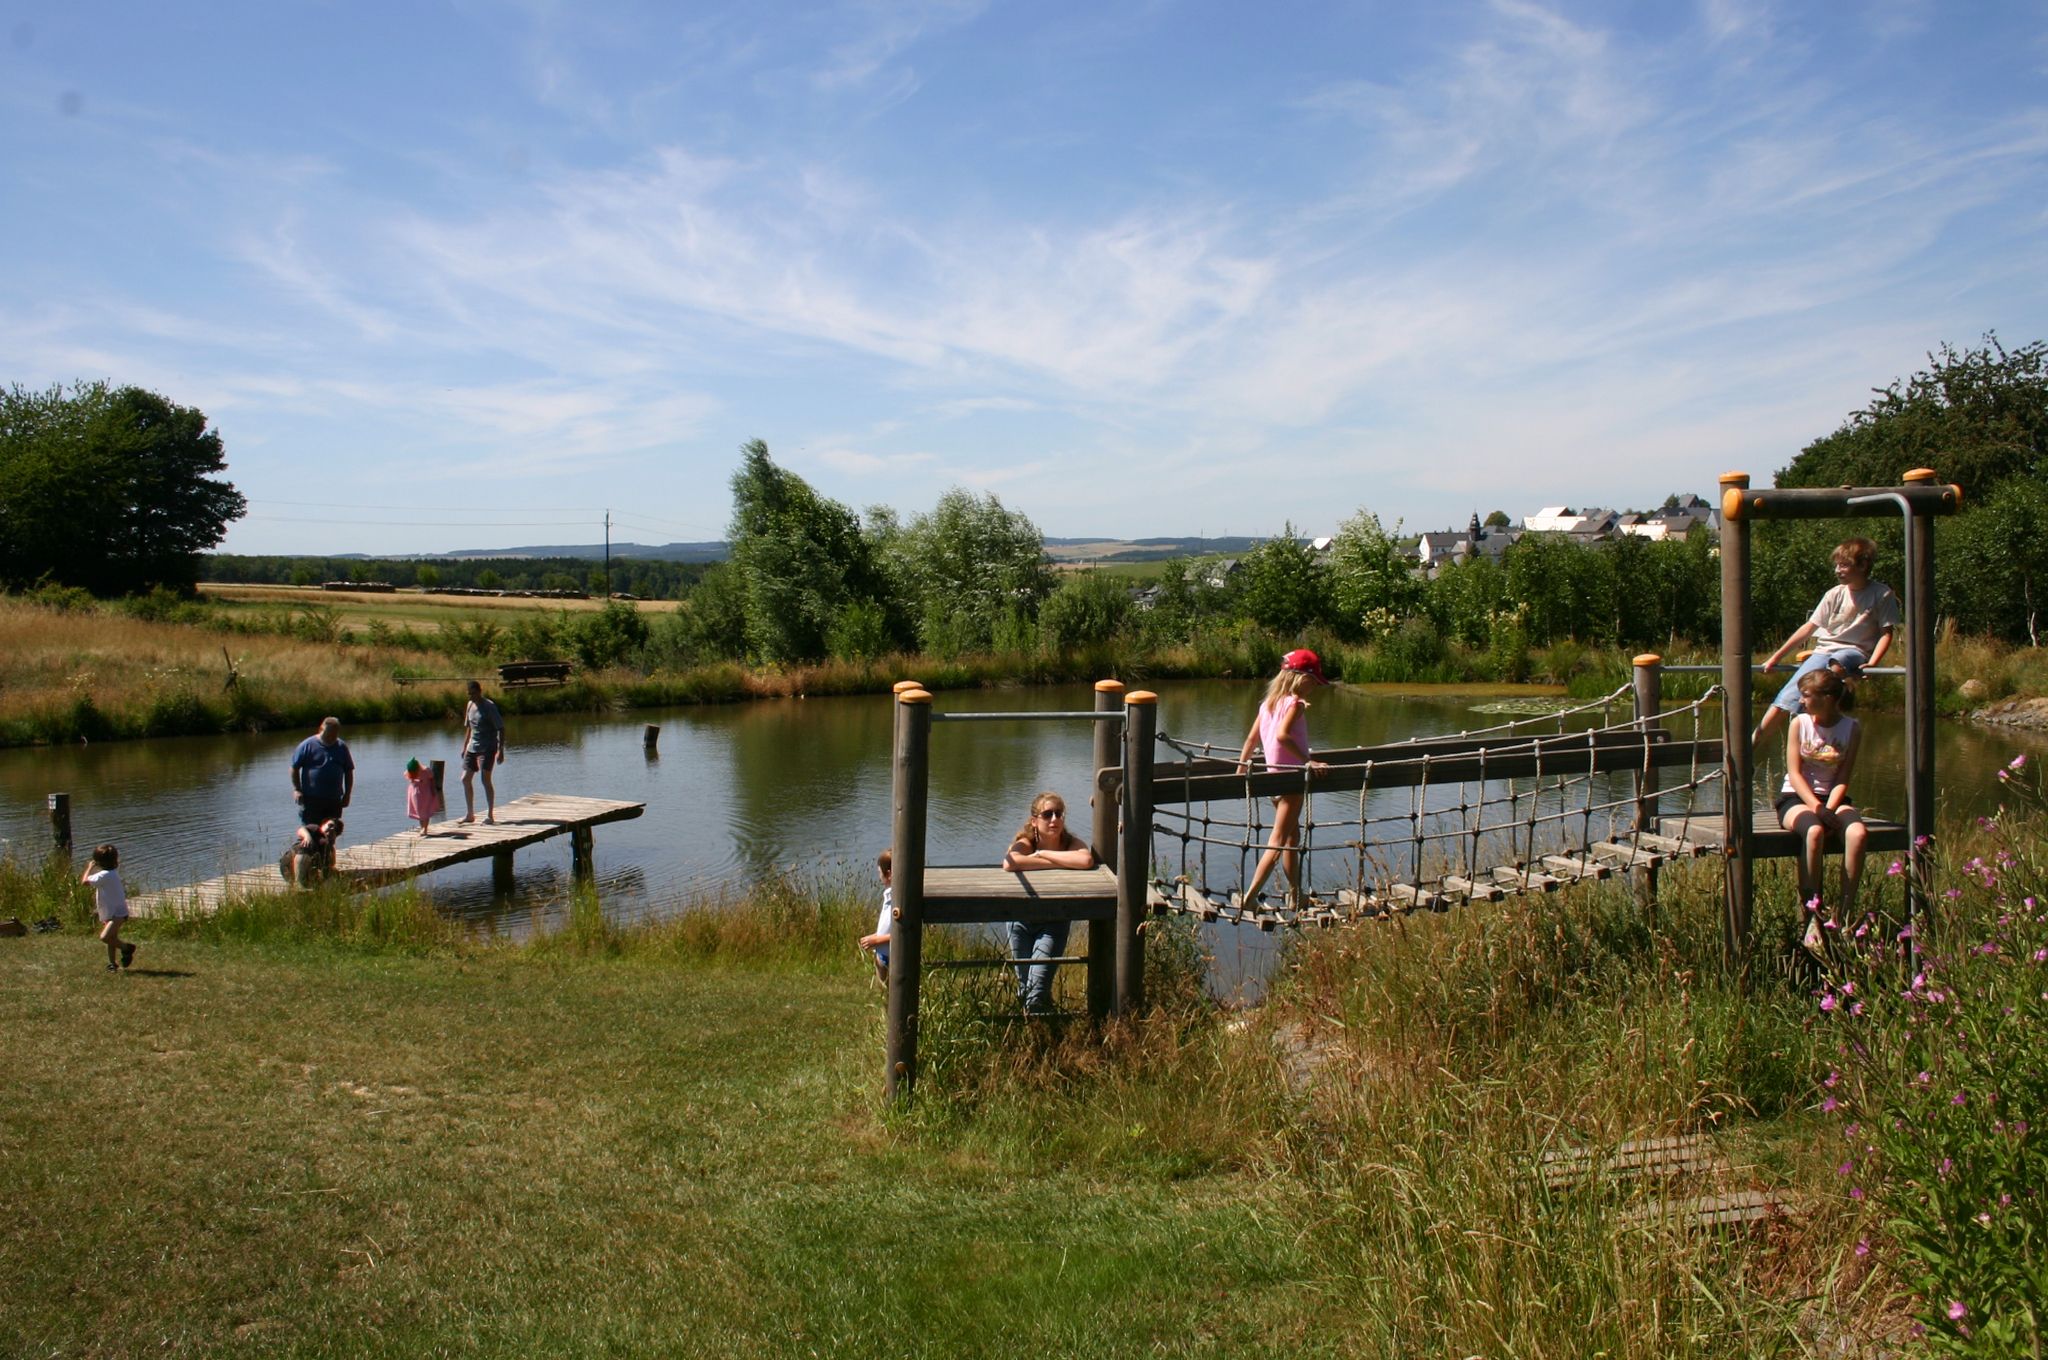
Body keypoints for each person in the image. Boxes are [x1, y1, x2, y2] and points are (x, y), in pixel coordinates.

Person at [1753, 537, 1897, 747]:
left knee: (1837, 663)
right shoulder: (1834, 594)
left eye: (1845, 565)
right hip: (1823, 651)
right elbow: (1808, 628)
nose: (1838, 570)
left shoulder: (1881, 594)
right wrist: (1776, 657)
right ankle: (1752, 744)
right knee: (1788, 696)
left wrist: (1872, 664)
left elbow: (1886, 633)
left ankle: (1836, 702)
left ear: (1863, 565)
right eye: (1837, 565)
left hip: (1855, 651)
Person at [1235, 648, 1331, 907]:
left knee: (1292, 838)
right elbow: (1282, 736)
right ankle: (1251, 896)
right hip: (1291, 780)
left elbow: (1251, 739)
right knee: (1277, 841)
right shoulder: (1295, 704)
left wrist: (1241, 769)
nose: (1314, 687)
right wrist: (1308, 760)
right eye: (1313, 681)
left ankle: (1295, 894)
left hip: (1273, 779)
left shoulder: (1268, 704)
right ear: (1301, 678)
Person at [1778, 668, 1867, 927]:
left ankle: (1845, 913)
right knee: (1814, 831)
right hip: (1796, 797)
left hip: (1833, 799)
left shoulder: (1852, 728)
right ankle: (1812, 912)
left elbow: (1843, 777)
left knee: (1857, 833)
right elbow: (1794, 774)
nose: (1801, 701)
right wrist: (1818, 809)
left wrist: (1829, 808)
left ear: (1827, 698)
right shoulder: (1799, 723)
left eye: (1806, 695)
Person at [1000, 791, 1096, 1013]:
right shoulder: (1026, 842)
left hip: (1054, 922)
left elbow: (1085, 859)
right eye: (1047, 814)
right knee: (1025, 987)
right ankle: (1035, 1032)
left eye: (1059, 814)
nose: (1054, 819)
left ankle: (1041, 1035)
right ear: (1034, 820)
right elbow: (1009, 862)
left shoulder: (1070, 842)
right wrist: (1061, 862)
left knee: (1038, 988)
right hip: (1020, 921)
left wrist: (1043, 855)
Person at [457, 680, 507, 825]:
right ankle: (470, 814)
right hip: (473, 747)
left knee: (485, 780)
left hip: (488, 747)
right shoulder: (470, 705)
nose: (471, 696)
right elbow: (469, 727)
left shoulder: (489, 706)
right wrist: (465, 746)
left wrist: (501, 750)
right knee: (465, 779)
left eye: (473, 693)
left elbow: (501, 728)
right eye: (469, 694)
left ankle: (490, 815)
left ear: (480, 691)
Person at [290, 716, 354, 826]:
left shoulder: (341, 747)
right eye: (328, 734)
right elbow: (294, 768)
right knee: (312, 831)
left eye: (334, 734)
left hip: (334, 799)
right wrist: (297, 789)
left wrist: (347, 794)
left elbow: (348, 771)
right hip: (312, 799)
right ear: (321, 729)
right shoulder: (307, 745)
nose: (331, 737)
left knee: (331, 831)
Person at [81, 843, 133, 972]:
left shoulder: (104, 875)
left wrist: (89, 868)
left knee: (104, 937)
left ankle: (127, 948)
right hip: (113, 911)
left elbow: (84, 882)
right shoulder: (112, 872)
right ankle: (112, 964)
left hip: (117, 914)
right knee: (112, 938)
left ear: (98, 862)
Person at [278, 818, 345, 888]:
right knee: (307, 845)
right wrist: (307, 836)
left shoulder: (329, 848)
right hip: (288, 865)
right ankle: (298, 884)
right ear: (324, 824)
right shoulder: (315, 829)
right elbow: (301, 830)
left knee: (329, 873)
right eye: (330, 825)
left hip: (306, 873)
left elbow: (329, 866)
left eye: (335, 830)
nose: (331, 829)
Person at [859, 850, 893, 984]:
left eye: (879, 872)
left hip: (890, 954)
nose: (879, 876)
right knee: (885, 990)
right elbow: (890, 927)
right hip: (883, 953)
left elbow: (901, 932)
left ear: (888, 874)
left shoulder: (897, 898)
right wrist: (875, 936)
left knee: (891, 992)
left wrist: (876, 941)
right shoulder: (889, 895)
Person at [404, 757, 440, 836]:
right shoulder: (410, 772)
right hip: (415, 794)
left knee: (425, 810)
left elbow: (432, 779)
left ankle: (425, 829)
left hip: (426, 792)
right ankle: (422, 828)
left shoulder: (426, 770)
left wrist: (433, 790)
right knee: (419, 811)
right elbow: (410, 780)